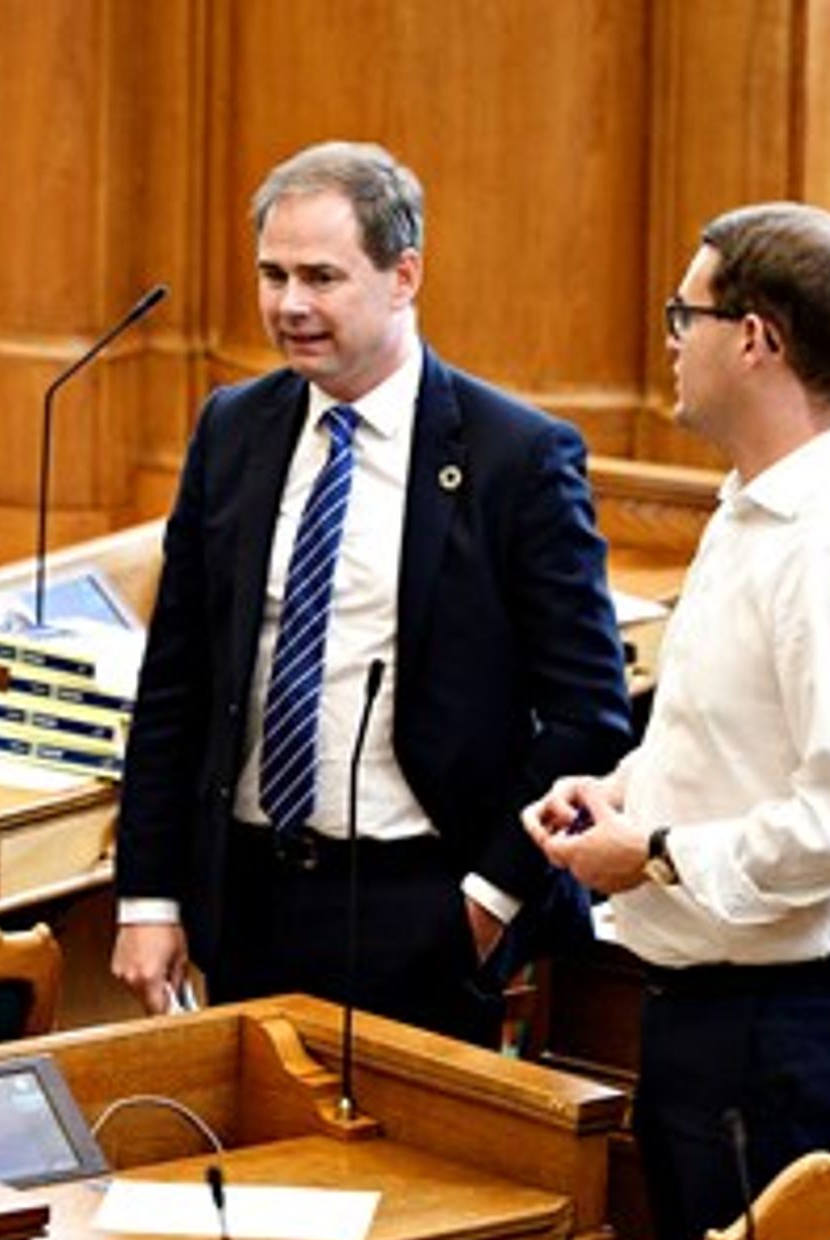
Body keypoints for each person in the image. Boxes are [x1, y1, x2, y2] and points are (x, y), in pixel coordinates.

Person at [111, 140, 631, 1044]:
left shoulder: (517, 457)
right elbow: (177, 681)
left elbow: (588, 713)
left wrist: (488, 900)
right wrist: (149, 896)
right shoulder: (232, 429)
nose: (290, 304)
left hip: (421, 903)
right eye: (273, 275)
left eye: (322, 276)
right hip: (248, 895)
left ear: (404, 276)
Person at [527, 202, 830, 1240]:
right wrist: (620, 792)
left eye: (687, 314)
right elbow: (730, 735)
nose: (671, 339)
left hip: (787, 1030)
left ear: (755, 338)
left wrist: (653, 853)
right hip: (726, 1013)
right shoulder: (756, 506)